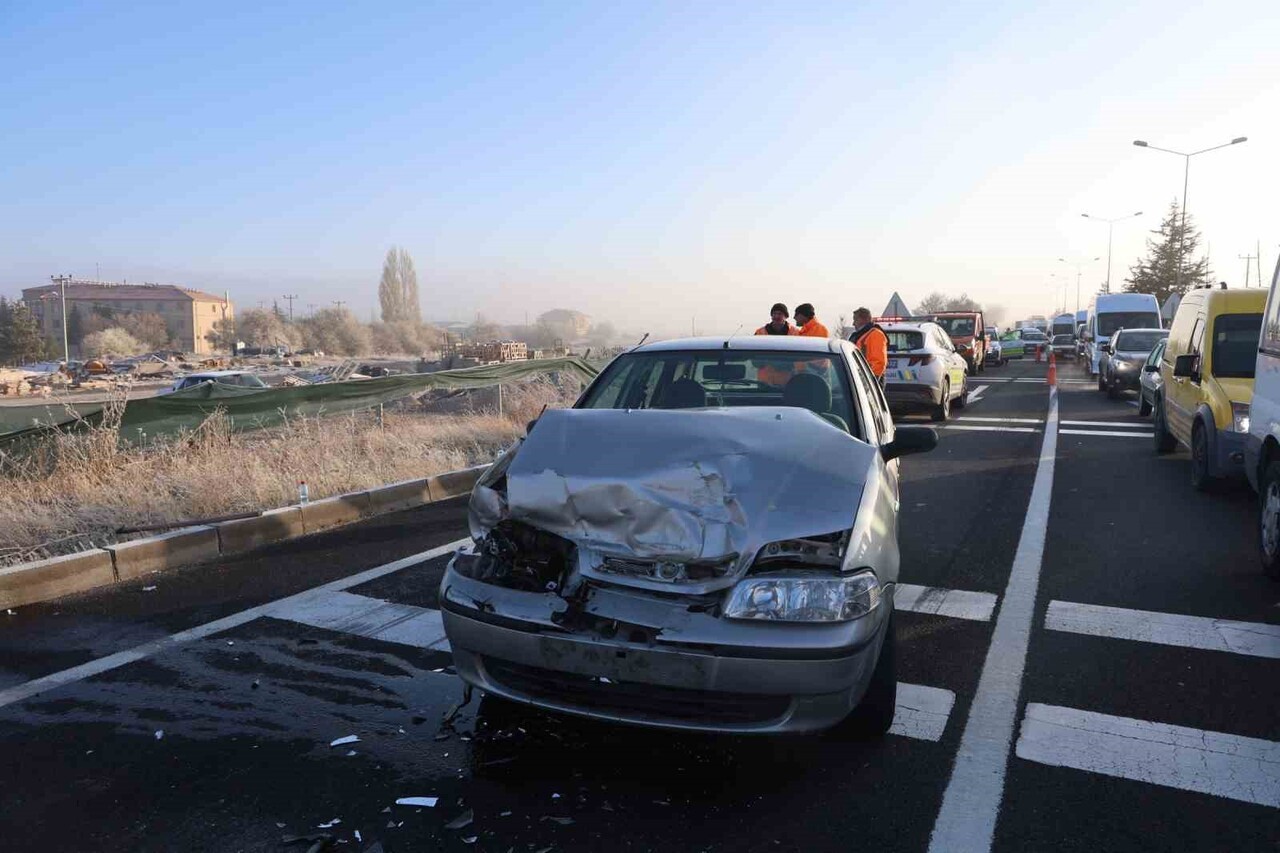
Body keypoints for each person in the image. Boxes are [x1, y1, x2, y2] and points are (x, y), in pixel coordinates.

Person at [850, 307, 889, 384]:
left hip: (870, 380)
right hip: (863, 378)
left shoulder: (875, 334)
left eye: (855, 320)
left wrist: (870, 383)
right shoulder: (863, 335)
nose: (853, 323)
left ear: (863, 319)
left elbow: (878, 363)